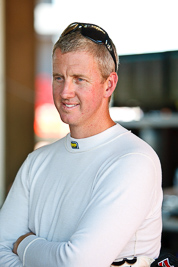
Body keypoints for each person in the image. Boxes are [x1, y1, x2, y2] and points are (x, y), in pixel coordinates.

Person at [0, 22, 163, 267]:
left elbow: (77, 263)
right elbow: (1, 248)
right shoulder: (37, 161)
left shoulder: (134, 160)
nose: (65, 92)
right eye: (59, 77)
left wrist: (23, 244)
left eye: (79, 79)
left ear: (109, 85)